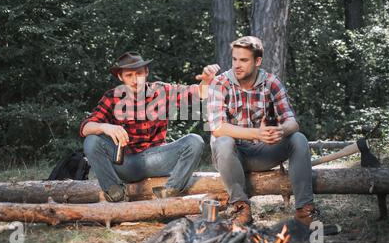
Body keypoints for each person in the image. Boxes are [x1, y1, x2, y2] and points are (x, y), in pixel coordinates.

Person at [207, 36, 319, 227]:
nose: (237, 65)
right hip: (231, 157)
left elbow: (293, 122)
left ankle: (304, 210)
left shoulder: (271, 82)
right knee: (224, 141)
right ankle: (241, 208)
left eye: (244, 60)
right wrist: (256, 133)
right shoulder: (220, 83)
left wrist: (280, 130)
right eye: (234, 59)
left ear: (257, 61)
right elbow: (217, 128)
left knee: (298, 139)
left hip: (262, 152)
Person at [80, 51, 219, 202]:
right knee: (92, 140)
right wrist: (106, 127)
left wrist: (206, 81)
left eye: (139, 73)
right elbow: (85, 128)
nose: (135, 80)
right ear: (120, 77)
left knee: (195, 141)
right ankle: (116, 194)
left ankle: (170, 191)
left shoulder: (160, 91)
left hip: (157, 159)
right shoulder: (112, 97)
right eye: (129, 75)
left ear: (146, 72)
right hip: (125, 163)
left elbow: (198, 93)